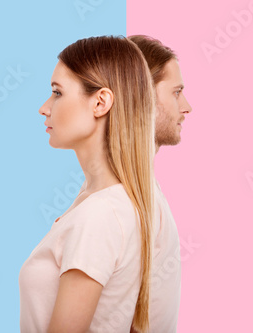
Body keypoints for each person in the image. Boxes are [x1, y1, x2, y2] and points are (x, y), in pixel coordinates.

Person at [19, 36, 157, 333]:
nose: (44, 108)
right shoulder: (103, 201)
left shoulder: (100, 214)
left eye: (57, 92)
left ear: (100, 102)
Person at [128, 35, 193, 333]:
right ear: (142, 97)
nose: (187, 106)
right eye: (176, 92)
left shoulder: (146, 192)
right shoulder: (122, 201)